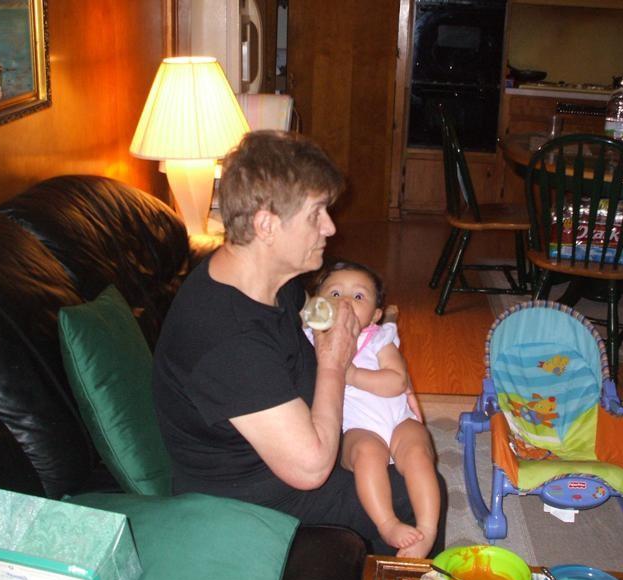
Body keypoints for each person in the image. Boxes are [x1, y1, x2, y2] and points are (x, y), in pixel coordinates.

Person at [152, 130, 446, 556]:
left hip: (288, 435)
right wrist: (334, 364)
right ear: (266, 225)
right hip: (251, 495)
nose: (330, 226)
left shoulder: (271, 281)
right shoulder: (226, 341)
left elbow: (320, 321)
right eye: (316, 214)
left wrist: (393, 379)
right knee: (416, 495)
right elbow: (308, 469)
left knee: (412, 451)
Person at [306, 261, 440, 558]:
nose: (344, 303)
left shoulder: (379, 338)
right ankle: (387, 523)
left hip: (398, 419)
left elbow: (396, 381)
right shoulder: (313, 336)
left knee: (418, 453)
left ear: (375, 315)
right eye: (335, 293)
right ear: (318, 305)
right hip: (357, 427)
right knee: (367, 455)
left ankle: (427, 529)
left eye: (358, 297)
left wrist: (350, 374)